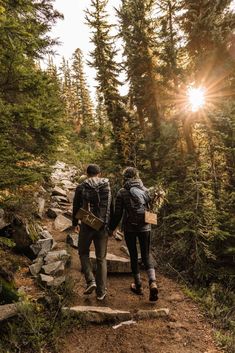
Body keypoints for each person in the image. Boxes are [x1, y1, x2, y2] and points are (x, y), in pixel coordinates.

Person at [109, 167, 158, 302]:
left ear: (125, 177)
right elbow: (152, 208)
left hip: (130, 228)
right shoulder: (146, 190)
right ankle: (152, 282)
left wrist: (111, 228)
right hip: (145, 227)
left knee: (134, 256)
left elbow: (118, 214)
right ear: (136, 176)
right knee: (146, 254)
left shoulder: (122, 192)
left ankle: (138, 286)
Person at [72, 164, 112, 301]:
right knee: (101, 258)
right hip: (102, 225)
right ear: (99, 173)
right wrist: (111, 227)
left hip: (87, 223)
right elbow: (110, 207)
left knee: (83, 252)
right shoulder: (106, 186)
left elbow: (76, 206)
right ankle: (101, 292)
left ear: (87, 173)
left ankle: (90, 281)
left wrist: (74, 223)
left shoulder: (81, 186)